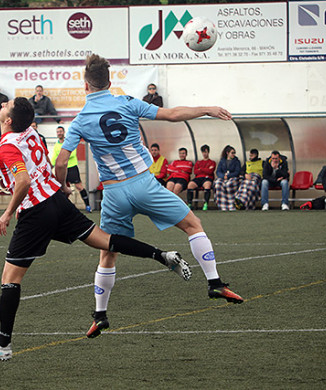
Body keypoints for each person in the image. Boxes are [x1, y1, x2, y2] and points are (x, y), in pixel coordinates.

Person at [0, 97, 191, 361]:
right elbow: (41, 162)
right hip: (57, 202)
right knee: (105, 241)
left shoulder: (7, 146)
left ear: (7, 121)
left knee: (10, 278)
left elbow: (23, 181)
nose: (3, 104)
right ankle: (162, 255)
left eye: (6, 106)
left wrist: (8, 213)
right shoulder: (31, 132)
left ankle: (3, 346)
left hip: (36, 211)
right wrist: (60, 185)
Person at [54, 54, 244, 339]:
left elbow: (61, 162)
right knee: (193, 225)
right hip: (145, 184)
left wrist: (63, 187)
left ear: (86, 85)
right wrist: (207, 109)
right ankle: (214, 283)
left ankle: (100, 315)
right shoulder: (127, 102)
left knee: (108, 252)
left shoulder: (80, 120)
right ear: (109, 81)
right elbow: (171, 114)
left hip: (114, 193)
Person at [51, 125, 92, 212]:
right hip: (62, 169)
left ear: (64, 132)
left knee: (79, 186)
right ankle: (63, 208)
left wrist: (61, 156)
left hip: (72, 168)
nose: (59, 133)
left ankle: (88, 206)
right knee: (61, 189)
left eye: (60, 131)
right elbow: (54, 157)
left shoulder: (68, 142)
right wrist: (51, 165)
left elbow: (72, 154)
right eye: (58, 132)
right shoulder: (56, 145)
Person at [186, 144, 216, 210]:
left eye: (205, 152)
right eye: (203, 152)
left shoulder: (212, 162)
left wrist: (201, 169)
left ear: (208, 152)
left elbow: (210, 171)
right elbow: (195, 172)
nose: (204, 154)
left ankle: (205, 204)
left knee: (207, 185)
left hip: (207, 178)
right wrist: (205, 169)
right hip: (198, 178)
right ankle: (189, 204)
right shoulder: (198, 162)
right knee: (190, 185)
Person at [214, 145, 241, 211]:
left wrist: (228, 176)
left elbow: (237, 172)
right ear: (227, 153)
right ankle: (222, 205)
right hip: (223, 178)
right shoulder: (222, 161)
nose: (233, 154)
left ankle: (232, 205)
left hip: (232, 178)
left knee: (229, 184)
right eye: (232, 153)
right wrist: (223, 176)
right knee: (218, 184)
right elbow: (218, 171)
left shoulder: (237, 161)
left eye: (234, 153)